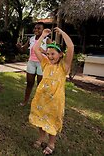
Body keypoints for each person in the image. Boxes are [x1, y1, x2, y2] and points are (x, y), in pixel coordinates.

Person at [29, 27, 74, 155]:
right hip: (42, 97)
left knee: (53, 121)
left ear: (60, 54)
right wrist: (43, 35)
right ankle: (41, 137)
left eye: (53, 54)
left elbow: (70, 47)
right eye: (48, 54)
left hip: (56, 100)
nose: (49, 56)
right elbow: (36, 49)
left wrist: (63, 33)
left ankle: (51, 143)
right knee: (40, 117)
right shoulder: (45, 63)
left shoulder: (64, 67)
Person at [16, 22, 52, 106]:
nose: (36, 30)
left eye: (39, 28)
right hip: (31, 62)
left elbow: (52, 53)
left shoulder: (47, 40)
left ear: (43, 30)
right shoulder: (31, 39)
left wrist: (44, 51)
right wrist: (19, 47)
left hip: (42, 64)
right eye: (35, 28)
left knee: (40, 84)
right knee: (29, 83)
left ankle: (40, 103)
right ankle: (25, 101)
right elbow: (23, 50)